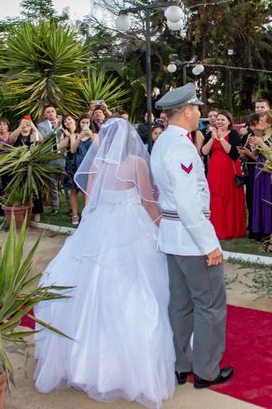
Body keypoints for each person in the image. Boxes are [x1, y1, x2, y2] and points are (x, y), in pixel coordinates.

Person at [34, 118, 175, 408]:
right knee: (136, 287)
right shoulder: (136, 162)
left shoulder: (97, 164)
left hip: (100, 223)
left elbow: (91, 203)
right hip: (131, 224)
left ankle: (85, 363)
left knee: (90, 286)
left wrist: (89, 228)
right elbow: (148, 202)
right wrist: (162, 227)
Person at [150, 83, 234, 389]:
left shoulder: (162, 143)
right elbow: (187, 203)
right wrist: (209, 244)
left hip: (172, 237)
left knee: (180, 304)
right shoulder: (181, 146)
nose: (200, 113)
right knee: (210, 304)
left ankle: (181, 364)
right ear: (186, 111)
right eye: (197, 109)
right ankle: (207, 370)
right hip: (190, 239)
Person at [201, 109, 246, 239]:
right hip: (215, 170)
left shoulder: (233, 134)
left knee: (228, 197)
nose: (219, 121)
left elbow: (234, 154)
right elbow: (203, 152)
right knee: (215, 196)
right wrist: (212, 138)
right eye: (218, 119)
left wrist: (221, 139)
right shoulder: (210, 134)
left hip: (230, 169)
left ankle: (230, 229)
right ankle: (215, 228)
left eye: (222, 119)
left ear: (229, 121)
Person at [246, 110, 272, 253]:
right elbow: (257, 156)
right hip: (259, 170)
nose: (259, 122)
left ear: (269, 122)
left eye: (262, 120)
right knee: (261, 204)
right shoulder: (262, 135)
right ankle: (266, 236)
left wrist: (262, 144)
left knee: (270, 205)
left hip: (270, 173)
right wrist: (253, 148)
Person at [10, 116, 45, 221]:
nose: (26, 125)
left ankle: (37, 212)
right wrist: (20, 126)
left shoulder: (33, 135)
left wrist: (33, 127)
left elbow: (41, 140)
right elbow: (11, 139)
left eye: (28, 123)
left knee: (35, 189)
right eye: (24, 123)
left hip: (33, 167)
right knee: (20, 189)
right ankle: (23, 211)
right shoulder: (17, 135)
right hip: (19, 167)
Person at [37, 105, 65, 216]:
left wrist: (59, 126)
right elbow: (44, 139)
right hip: (49, 158)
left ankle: (71, 208)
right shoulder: (41, 126)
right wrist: (54, 129)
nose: (51, 113)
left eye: (52, 111)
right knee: (53, 185)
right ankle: (55, 207)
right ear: (44, 115)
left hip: (62, 157)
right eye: (48, 112)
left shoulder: (62, 124)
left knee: (66, 183)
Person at [58, 115, 81, 225]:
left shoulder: (81, 131)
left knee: (86, 191)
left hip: (82, 162)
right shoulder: (64, 134)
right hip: (71, 164)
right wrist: (68, 136)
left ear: (75, 121)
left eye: (70, 119)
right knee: (73, 190)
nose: (67, 121)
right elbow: (61, 148)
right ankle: (74, 214)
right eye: (66, 120)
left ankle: (87, 213)